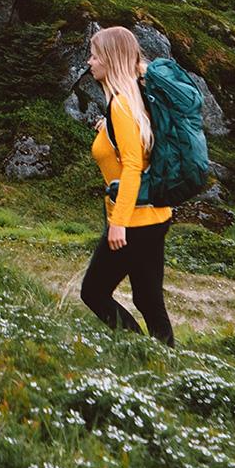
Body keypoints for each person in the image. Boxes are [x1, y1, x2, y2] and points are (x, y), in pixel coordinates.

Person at [79, 25, 175, 343]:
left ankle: (138, 349)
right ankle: (164, 359)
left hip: (132, 221)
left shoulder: (122, 105)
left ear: (109, 60)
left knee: (93, 292)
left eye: (94, 56)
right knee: (148, 300)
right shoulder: (136, 97)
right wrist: (108, 128)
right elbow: (137, 144)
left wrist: (118, 224)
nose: (89, 63)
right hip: (155, 216)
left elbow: (133, 165)